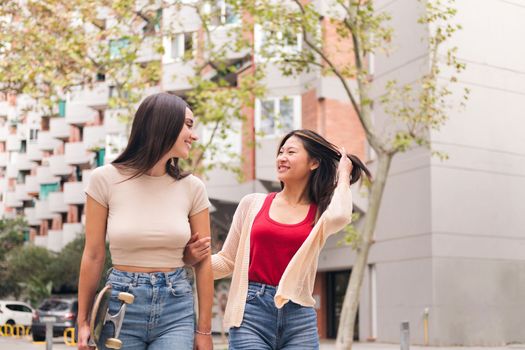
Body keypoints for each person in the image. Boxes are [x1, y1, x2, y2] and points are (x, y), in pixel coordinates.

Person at [185, 129, 371, 349]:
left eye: (291, 152)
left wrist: (343, 175)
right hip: (250, 313)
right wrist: (190, 260)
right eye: (281, 152)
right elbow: (227, 261)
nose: (281, 158)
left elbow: (341, 215)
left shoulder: (320, 214)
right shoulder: (252, 204)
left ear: (313, 163)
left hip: (299, 316)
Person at [77, 93, 214, 350]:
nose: (193, 135)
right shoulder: (104, 180)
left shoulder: (193, 187)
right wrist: (83, 321)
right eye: (188, 125)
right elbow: (93, 254)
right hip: (121, 304)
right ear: (164, 123)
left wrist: (204, 330)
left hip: (177, 307)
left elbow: (204, 262)